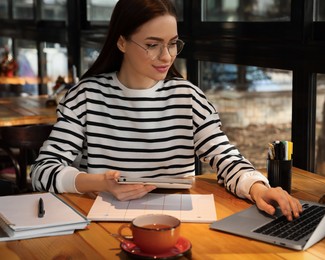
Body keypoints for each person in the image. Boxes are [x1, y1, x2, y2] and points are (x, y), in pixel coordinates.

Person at [31, 0, 302, 221]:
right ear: (122, 42)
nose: (166, 56)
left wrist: (257, 188)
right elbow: (42, 172)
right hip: (101, 229)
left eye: (172, 43)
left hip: (177, 227)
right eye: (152, 45)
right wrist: (100, 182)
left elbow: (226, 159)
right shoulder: (86, 96)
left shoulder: (189, 98)